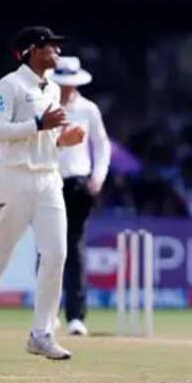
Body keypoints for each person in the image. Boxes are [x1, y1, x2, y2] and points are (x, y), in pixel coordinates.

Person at [0, 26, 85, 361]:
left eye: (57, 45)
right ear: (28, 51)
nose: (56, 51)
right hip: (13, 178)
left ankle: (41, 333)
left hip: (48, 179)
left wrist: (60, 140)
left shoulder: (52, 88)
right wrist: (38, 126)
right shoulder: (9, 86)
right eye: (49, 46)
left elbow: (43, 136)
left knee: (56, 254)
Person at [47, 56, 111, 337]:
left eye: (70, 85)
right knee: (47, 248)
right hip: (47, 179)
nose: (66, 89)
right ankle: (47, 313)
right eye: (62, 84)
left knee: (74, 247)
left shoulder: (88, 109)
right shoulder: (44, 105)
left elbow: (102, 144)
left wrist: (98, 176)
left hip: (78, 182)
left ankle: (76, 316)